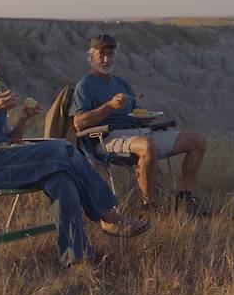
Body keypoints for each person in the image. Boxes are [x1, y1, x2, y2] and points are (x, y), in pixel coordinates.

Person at [0, 39, 149, 269]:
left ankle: (77, 260)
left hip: (8, 158)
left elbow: (10, 138)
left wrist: (24, 119)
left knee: (62, 181)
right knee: (63, 147)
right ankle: (110, 216)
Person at [70, 34, 209, 217]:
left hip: (139, 132)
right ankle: (148, 207)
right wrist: (109, 106)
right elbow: (79, 123)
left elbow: (135, 112)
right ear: (91, 57)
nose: (106, 59)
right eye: (101, 54)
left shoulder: (121, 83)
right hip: (107, 138)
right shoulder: (85, 85)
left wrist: (145, 118)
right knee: (147, 145)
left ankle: (183, 200)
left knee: (198, 140)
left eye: (110, 54)